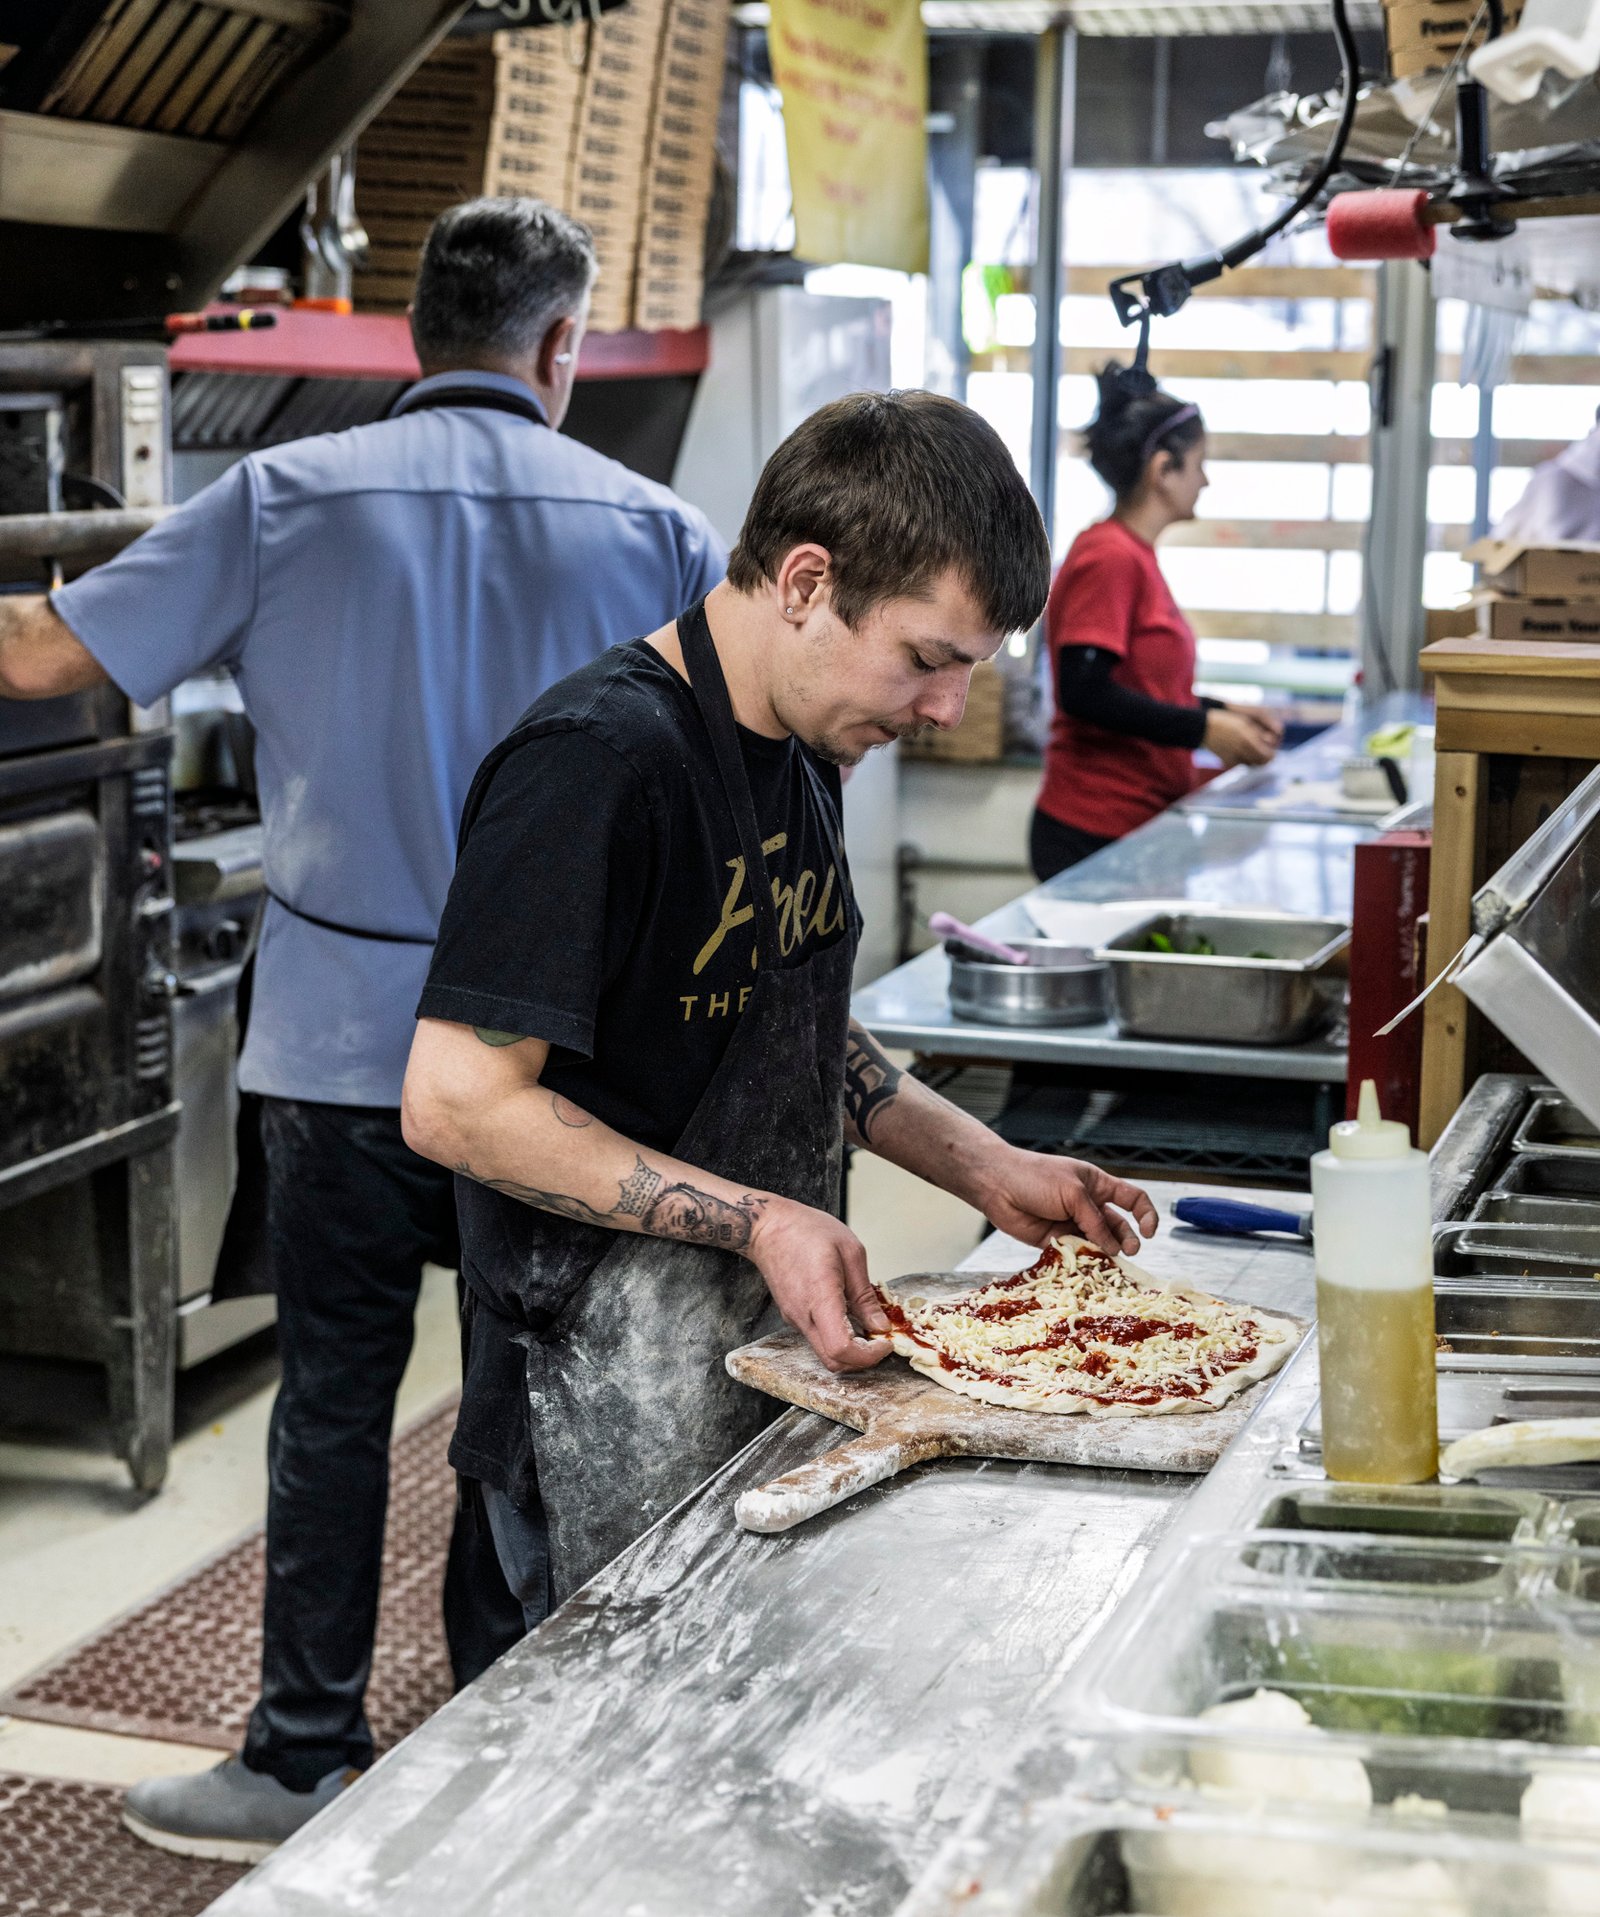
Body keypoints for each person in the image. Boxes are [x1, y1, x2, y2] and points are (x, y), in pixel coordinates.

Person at [0, 197, 725, 1861]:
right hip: (558, 1063)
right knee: (530, 1407)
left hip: (340, 1055)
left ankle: (301, 1757)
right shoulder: (660, 533)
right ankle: (505, 1753)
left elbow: (41, 652)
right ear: (561, 344)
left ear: (417, 333)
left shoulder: (283, 496)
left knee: (332, 1399)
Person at [400, 390, 1161, 1626]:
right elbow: (456, 1103)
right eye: (928, 659)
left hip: (768, 1344)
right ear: (807, 582)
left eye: (968, 672)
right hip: (597, 1374)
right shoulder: (595, 765)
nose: (944, 710)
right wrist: (761, 1220)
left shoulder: (806, 751)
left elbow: (783, 1022)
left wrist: (984, 1165)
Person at [1030, 363, 1284, 881]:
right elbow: (1083, 690)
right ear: (1163, 469)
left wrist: (1222, 711)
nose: (1205, 480)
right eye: (1198, 465)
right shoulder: (1110, 557)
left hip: (1136, 824)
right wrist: (1204, 728)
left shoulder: (1134, 556)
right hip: (1094, 827)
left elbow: (1140, 688)